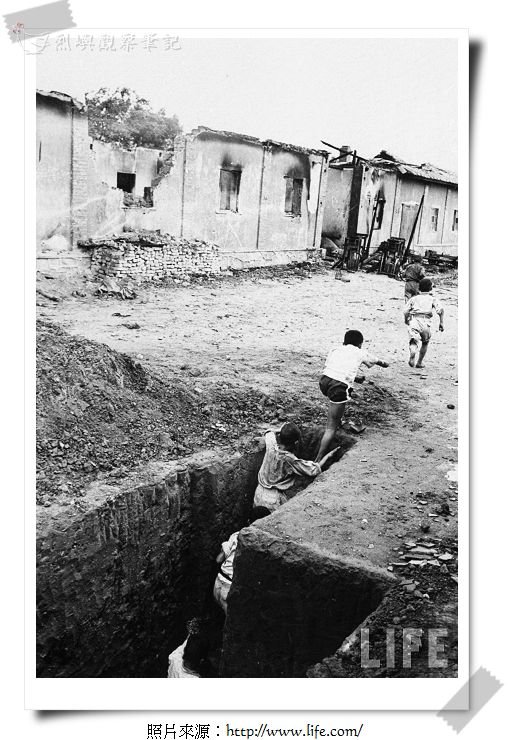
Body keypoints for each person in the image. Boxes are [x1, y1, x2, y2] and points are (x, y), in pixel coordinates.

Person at [315, 330, 389, 461]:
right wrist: (384, 363)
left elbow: (337, 370)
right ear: (360, 344)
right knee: (330, 427)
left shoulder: (335, 349)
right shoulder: (360, 352)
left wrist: (355, 378)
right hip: (338, 388)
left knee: (335, 400)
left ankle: (338, 419)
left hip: (324, 382)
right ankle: (318, 459)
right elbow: (376, 361)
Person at [253, 423, 340, 512]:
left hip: (258, 495)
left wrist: (282, 430)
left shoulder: (271, 444)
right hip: (273, 501)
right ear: (296, 442)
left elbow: (269, 432)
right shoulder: (290, 459)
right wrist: (327, 457)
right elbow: (312, 470)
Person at [213, 506, 271, 614]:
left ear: (249, 521)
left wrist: (225, 547)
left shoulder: (236, 535)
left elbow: (218, 559)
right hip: (230, 588)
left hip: (218, 583)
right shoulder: (261, 543)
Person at [403, 277, 444, 368]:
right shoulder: (432, 299)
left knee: (413, 341)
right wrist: (441, 322)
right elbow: (440, 310)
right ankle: (419, 362)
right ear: (431, 288)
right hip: (426, 322)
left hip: (414, 320)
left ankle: (413, 350)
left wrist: (406, 319)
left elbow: (405, 311)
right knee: (425, 342)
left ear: (419, 288)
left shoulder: (414, 299)